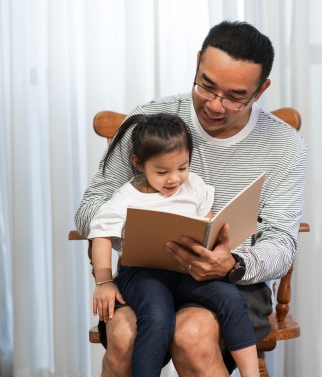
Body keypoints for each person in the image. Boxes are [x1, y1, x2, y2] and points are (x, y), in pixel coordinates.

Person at [75, 20, 308, 376]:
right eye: (206, 86)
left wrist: (233, 264)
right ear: (198, 62)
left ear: (261, 90)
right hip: (147, 277)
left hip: (233, 282)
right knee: (123, 335)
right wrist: (138, 229)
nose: (215, 105)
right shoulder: (148, 121)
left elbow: (281, 242)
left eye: (235, 97)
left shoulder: (285, 146)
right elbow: (91, 205)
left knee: (192, 334)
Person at [87, 112, 259, 377]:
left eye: (182, 167)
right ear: (138, 164)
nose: (174, 179)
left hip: (189, 270)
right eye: (162, 172)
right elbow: (100, 234)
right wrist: (104, 281)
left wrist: (212, 238)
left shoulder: (194, 186)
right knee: (157, 317)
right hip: (143, 274)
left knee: (231, 297)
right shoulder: (126, 198)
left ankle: (251, 373)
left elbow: (208, 222)